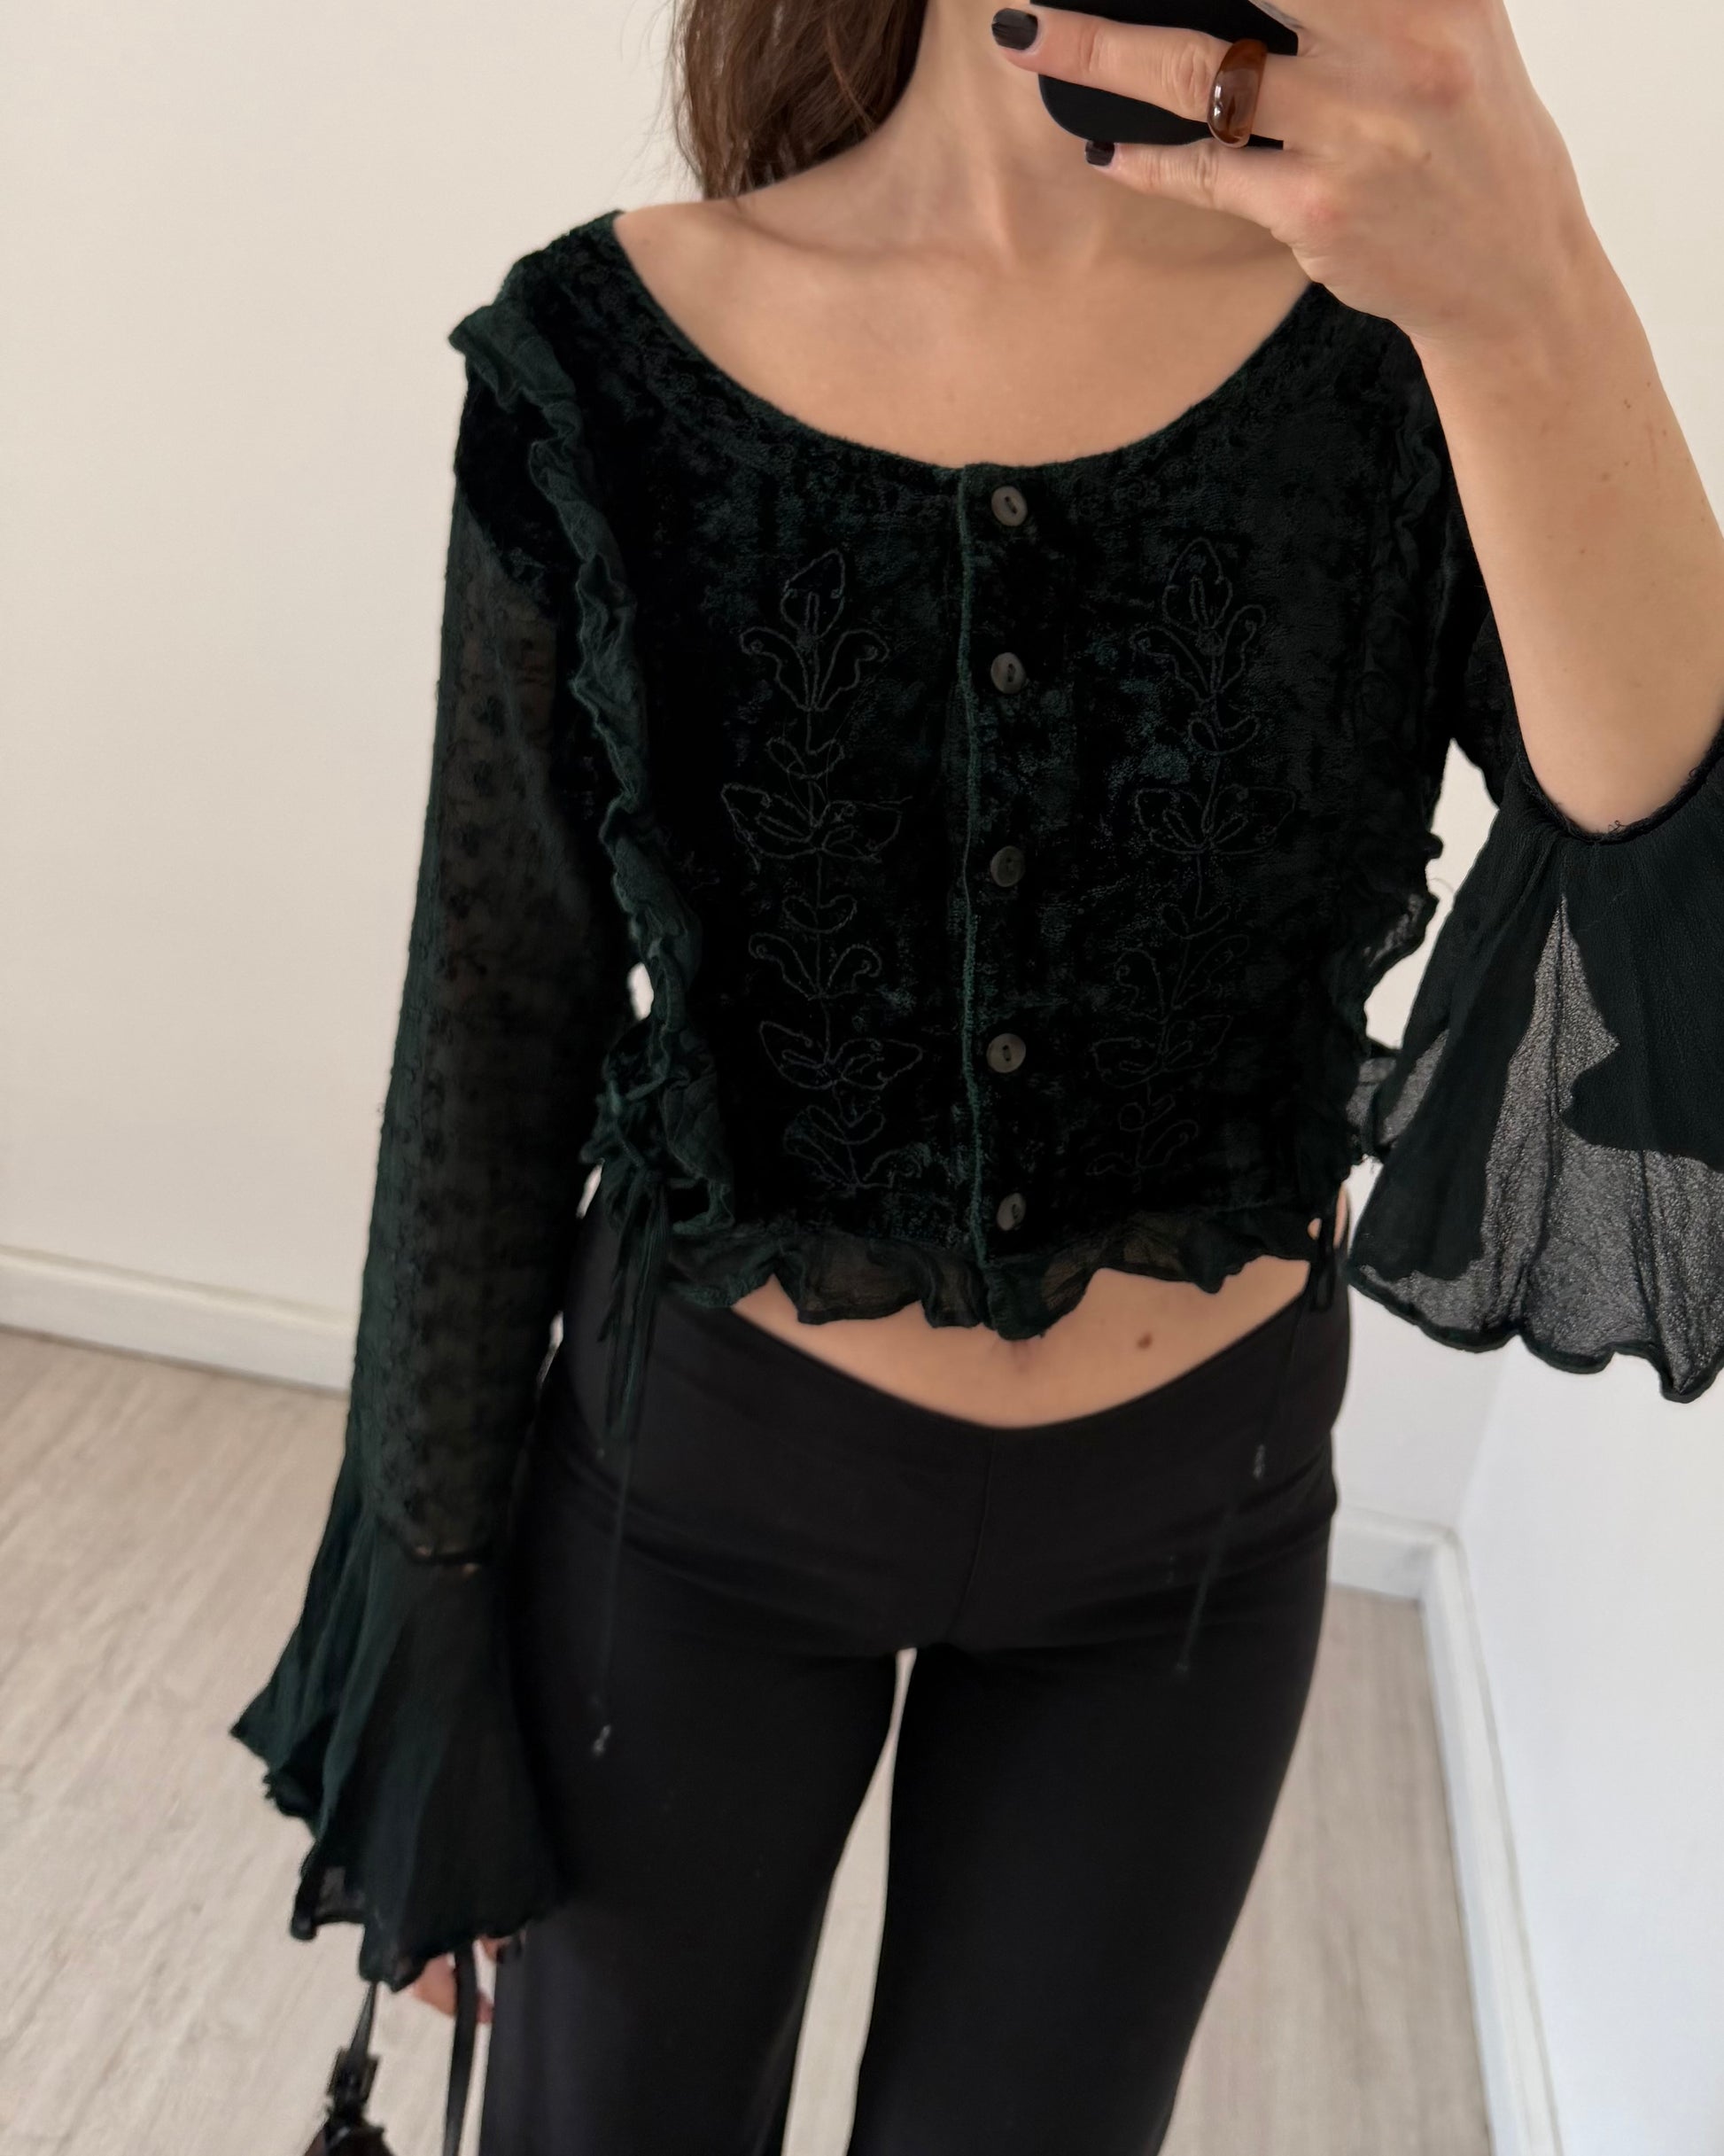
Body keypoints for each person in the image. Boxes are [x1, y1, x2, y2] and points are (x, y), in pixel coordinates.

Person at [235, 1, 1724, 2149]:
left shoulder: (1408, 355)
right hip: (691, 1512)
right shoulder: (603, 357)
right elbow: (485, 1044)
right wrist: (425, 1646)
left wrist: (1531, 286)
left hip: (1185, 1552)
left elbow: (1669, 920)